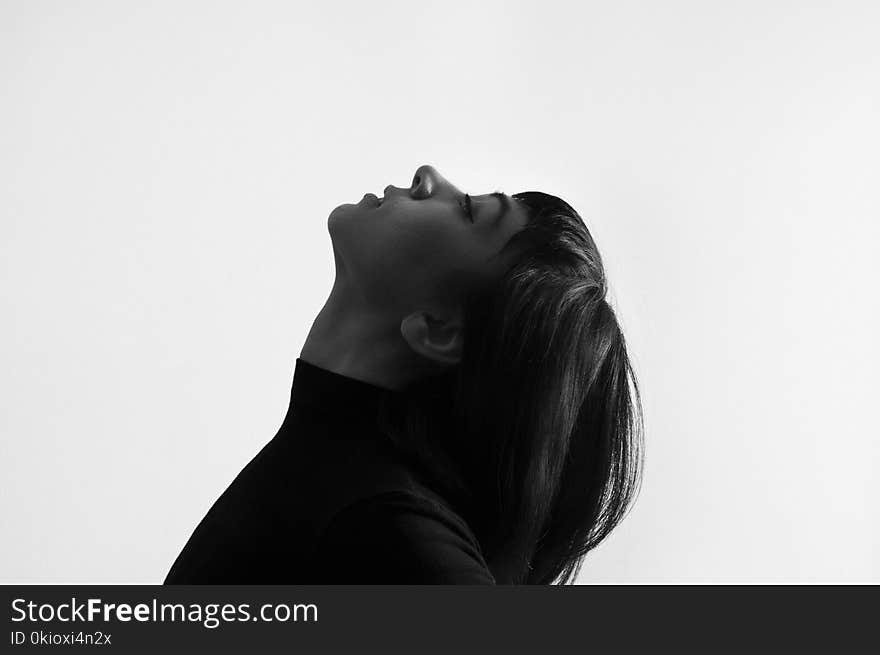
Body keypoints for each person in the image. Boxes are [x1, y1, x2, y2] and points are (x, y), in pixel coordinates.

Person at [164, 164, 643, 585]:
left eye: (467, 211)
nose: (427, 175)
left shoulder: (390, 533)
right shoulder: (355, 499)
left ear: (436, 328)